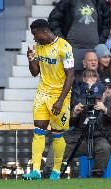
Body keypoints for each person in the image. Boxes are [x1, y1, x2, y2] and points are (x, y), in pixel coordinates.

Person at [22, 19, 75, 181]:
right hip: (42, 94)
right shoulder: (39, 47)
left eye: (35, 35)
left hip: (59, 95)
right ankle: (36, 170)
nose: (34, 39)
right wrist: (31, 59)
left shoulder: (64, 47)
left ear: (44, 32)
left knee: (57, 133)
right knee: (39, 129)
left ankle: (56, 171)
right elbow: (34, 72)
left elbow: (71, 75)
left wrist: (60, 100)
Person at [44, 70, 111, 178]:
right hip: (80, 138)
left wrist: (105, 109)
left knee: (105, 147)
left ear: (104, 93)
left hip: (100, 138)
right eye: (94, 97)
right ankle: (49, 171)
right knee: (59, 142)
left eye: (99, 97)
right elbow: (66, 123)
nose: (96, 100)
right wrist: (74, 113)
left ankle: (97, 174)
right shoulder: (82, 101)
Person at [48, 0, 111, 71]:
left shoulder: (99, 2)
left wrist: (101, 41)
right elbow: (53, 20)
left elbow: (107, 22)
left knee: (92, 80)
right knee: (71, 79)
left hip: (94, 50)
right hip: (71, 50)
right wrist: (62, 42)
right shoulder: (67, 2)